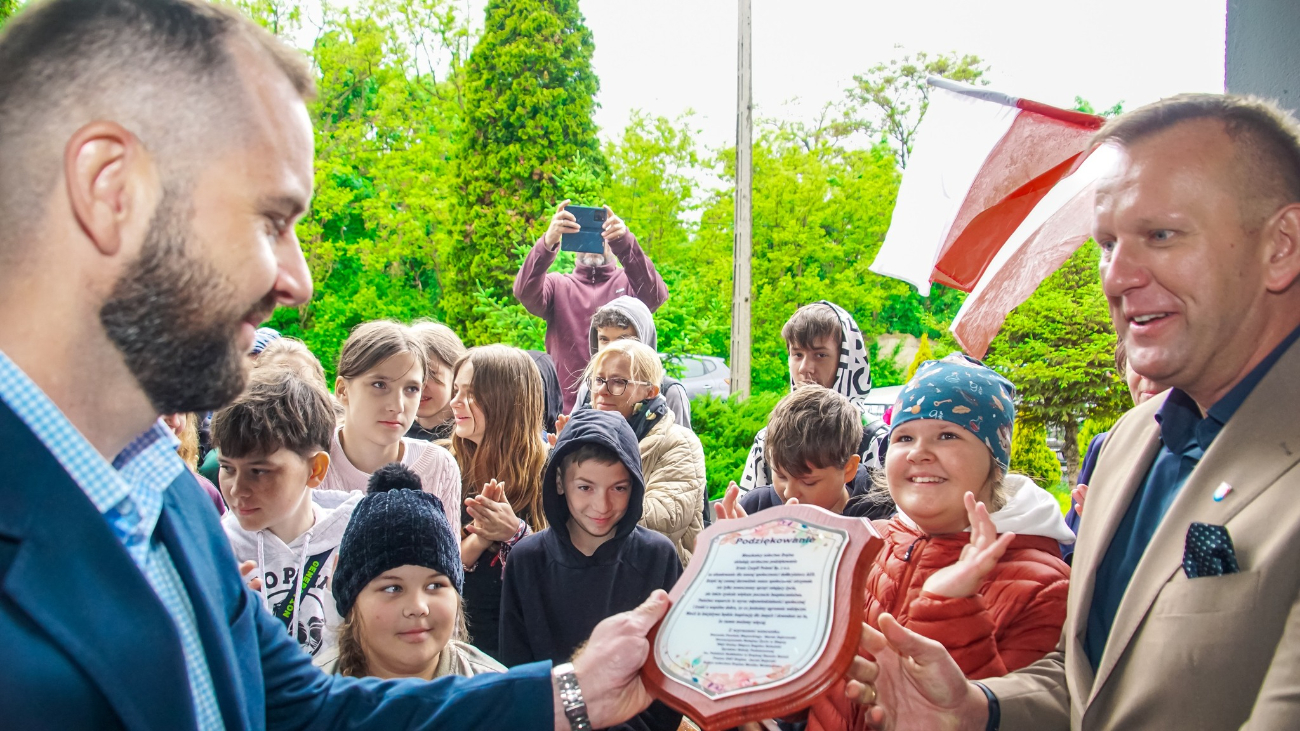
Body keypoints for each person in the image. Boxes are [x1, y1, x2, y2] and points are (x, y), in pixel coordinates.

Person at [0, 1, 702, 727]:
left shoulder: (168, 497)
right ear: (109, 188)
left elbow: (307, 708)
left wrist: (571, 693)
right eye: (271, 220)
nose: (297, 279)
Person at [848, 94, 1300, 731]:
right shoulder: (1128, 446)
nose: (1118, 277)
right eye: (1108, 244)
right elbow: (1087, 675)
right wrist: (979, 707)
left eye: (1162, 235)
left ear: (1282, 245)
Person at [803, 354, 1071, 731]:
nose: (918, 452)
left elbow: (1005, 716)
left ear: (995, 460)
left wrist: (952, 607)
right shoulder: (869, 546)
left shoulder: (1044, 587)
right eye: (904, 437)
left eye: (948, 435)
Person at [499, 408, 683, 731]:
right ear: (559, 481)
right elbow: (519, 678)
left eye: (619, 488)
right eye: (585, 487)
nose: (602, 505)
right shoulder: (526, 561)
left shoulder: (658, 557)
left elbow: (670, 679)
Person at [213, 367, 360, 664]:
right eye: (227, 468)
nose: (237, 489)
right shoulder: (214, 550)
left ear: (315, 469)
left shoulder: (356, 539)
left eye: (259, 471)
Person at [321, 462, 504, 679]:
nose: (418, 607)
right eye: (393, 588)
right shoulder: (308, 699)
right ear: (349, 598)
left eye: (435, 585)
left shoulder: (496, 692)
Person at [514, 200, 668, 412]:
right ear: (574, 241)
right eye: (585, 235)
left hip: (623, 408)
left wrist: (625, 242)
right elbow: (524, 292)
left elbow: (655, 296)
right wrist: (548, 241)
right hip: (566, 411)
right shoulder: (559, 285)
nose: (594, 243)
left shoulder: (627, 282)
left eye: (602, 235)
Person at [448, 344, 550, 659]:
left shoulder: (554, 472)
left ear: (507, 400)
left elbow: (570, 573)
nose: (455, 403)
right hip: (456, 649)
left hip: (525, 652)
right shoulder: (442, 464)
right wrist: (480, 537)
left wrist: (516, 533)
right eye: (456, 390)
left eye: (471, 394)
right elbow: (425, 572)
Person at [320, 320, 461, 540]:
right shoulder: (313, 464)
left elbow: (447, 570)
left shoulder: (439, 466)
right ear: (342, 390)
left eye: (411, 389)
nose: (397, 405)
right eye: (380, 385)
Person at [738, 301, 888, 495]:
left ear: (847, 360)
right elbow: (748, 516)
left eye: (820, 355)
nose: (804, 368)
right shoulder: (767, 440)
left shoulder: (878, 442)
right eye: (797, 354)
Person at [579, 339, 706, 565]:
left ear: (650, 391)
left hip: (660, 582)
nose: (602, 391)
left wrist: (580, 508)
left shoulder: (680, 443)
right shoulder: (579, 438)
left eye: (618, 382)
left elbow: (664, 521)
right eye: (599, 380)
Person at [1063, 339, 1168, 562]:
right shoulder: (1105, 448)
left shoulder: (1208, 451)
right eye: (1136, 355)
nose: (1147, 372)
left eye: (1162, 355)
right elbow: (1068, 546)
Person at [719, 385, 888, 520]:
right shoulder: (755, 509)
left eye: (808, 482)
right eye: (781, 476)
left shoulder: (880, 515)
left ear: (848, 469)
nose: (789, 493)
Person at [572, 295, 692, 429]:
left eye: (623, 340)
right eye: (604, 339)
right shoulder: (591, 389)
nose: (611, 347)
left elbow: (682, 445)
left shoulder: (669, 393)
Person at [406, 320, 465, 442]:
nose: (419, 386)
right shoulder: (394, 432)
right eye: (408, 374)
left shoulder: (467, 436)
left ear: (456, 373)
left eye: (430, 373)